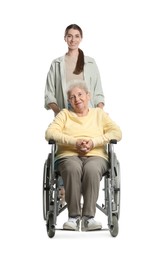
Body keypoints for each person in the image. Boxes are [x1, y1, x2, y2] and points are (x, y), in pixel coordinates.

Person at [45, 80, 122, 231]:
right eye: (72, 97)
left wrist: (93, 142)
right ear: (68, 101)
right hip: (68, 155)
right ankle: (73, 217)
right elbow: (49, 133)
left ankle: (89, 218)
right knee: (73, 168)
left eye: (80, 94)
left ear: (88, 96)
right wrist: (74, 142)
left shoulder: (99, 114)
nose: (77, 99)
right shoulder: (64, 115)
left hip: (96, 155)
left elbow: (117, 133)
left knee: (92, 169)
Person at [44, 23, 105, 116]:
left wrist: (99, 113)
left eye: (77, 36)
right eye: (69, 36)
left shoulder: (90, 63)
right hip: (66, 115)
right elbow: (49, 94)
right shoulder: (56, 64)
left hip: (88, 115)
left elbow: (98, 92)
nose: (73, 40)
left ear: (81, 38)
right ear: (65, 38)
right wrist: (59, 113)